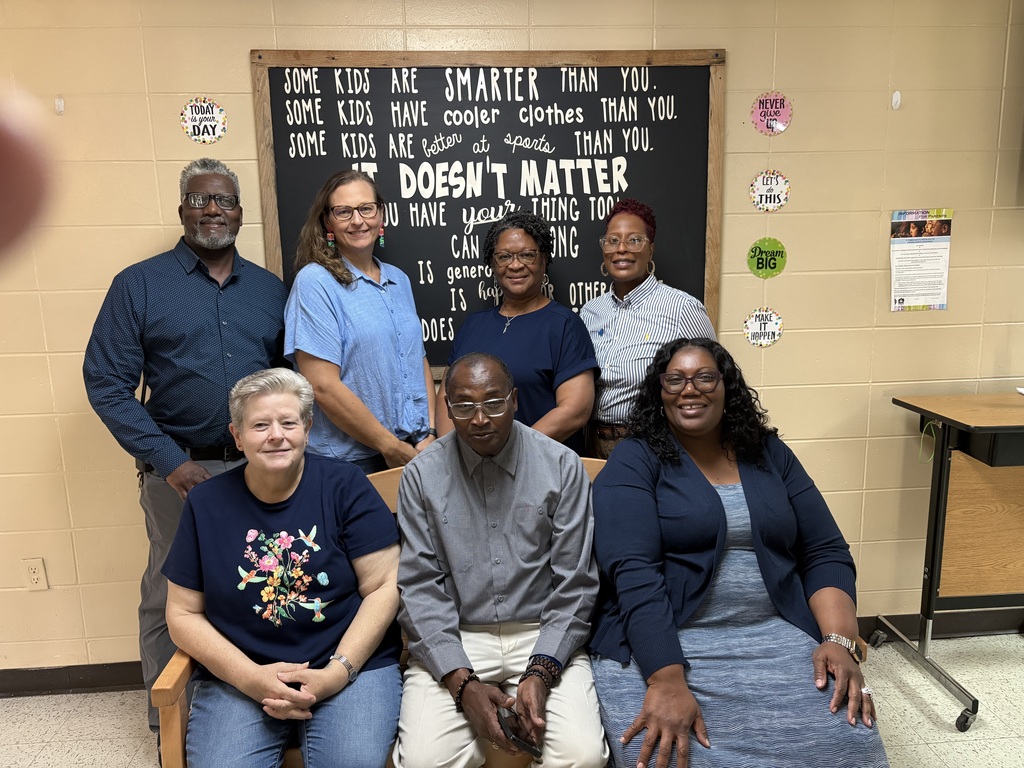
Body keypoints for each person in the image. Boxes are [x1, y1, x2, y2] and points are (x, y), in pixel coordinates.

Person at [589, 338, 889, 768]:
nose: (689, 389)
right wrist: (666, 678)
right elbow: (634, 573)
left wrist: (837, 640)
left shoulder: (768, 453)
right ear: (659, 392)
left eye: (705, 377)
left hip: (775, 635)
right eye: (674, 380)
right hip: (662, 643)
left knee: (849, 746)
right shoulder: (635, 460)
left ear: (727, 387)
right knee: (667, 754)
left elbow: (824, 550)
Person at [83, 157, 288, 733]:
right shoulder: (140, 285)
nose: (213, 210)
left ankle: (249, 711)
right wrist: (172, 463)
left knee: (262, 585)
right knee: (170, 594)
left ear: (240, 212)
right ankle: (169, 720)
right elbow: (106, 383)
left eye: (223, 200)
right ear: (182, 210)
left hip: (258, 471)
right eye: (200, 200)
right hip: (178, 473)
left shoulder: (270, 291)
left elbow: (287, 384)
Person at [163, 368, 402, 768]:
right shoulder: (205, 504)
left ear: (307, 428)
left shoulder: (346, 486)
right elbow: (182, 613)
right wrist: (250, 678)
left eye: (288, 422)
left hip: (347, 667)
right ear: (237, 436)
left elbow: (384, 585)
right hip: (239, 674)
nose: (276, 434)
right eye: (259, 425)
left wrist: (337, 673)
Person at [393, 352, 608, 768]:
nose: (479, 419)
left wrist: (542, 671)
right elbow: (419, 587)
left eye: (493, 402)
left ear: (515, 400)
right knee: (424, 760)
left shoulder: (561, 466)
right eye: (463, 405)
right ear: (447, 407)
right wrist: (462, 683)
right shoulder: (422, 475)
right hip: (457, 634)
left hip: (543, 631)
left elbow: (576, 583)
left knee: (581, 756)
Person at [285, 169, 434, 474]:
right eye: (344, 212)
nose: (358, 221)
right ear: (327, 221)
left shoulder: (399, 280)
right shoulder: (315, 282)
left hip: (415, 451)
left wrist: (430, 433)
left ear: (381, 214)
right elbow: (322, 385)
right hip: (351, 463)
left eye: (366, 208)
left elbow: (417, 361)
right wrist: (390, 447)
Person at [436, 211, 598, 454]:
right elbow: (446, 397)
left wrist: (510, 453)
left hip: (542, 465)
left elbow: (575, 410)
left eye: (527, 255)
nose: (515, 264)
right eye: (504, 257)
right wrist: (460, 456)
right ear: (492, 264)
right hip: (473, 470)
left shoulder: (565, 325)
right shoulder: (473, 325)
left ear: (544, 261)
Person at [580, 199, 716, 458]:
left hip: (654, 447)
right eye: (612, 240)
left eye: (634, 240)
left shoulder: (681, 308)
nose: (621, 249)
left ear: (650, 250)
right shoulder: (590, 313)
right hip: (593, 447)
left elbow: (712, 383)